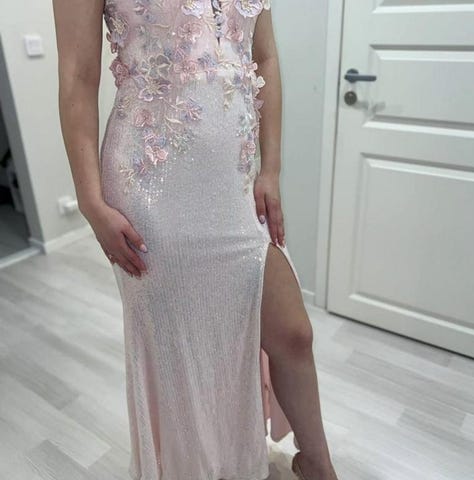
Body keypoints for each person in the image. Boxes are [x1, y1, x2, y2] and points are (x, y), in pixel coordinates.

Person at [52, 0, 338, 479]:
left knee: (293, 334)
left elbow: (265, 57)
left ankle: (317, 463)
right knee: (179, 360)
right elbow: (77, 76)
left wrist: (271, 168)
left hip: (236, 183)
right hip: (152, 185)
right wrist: (89, 200)